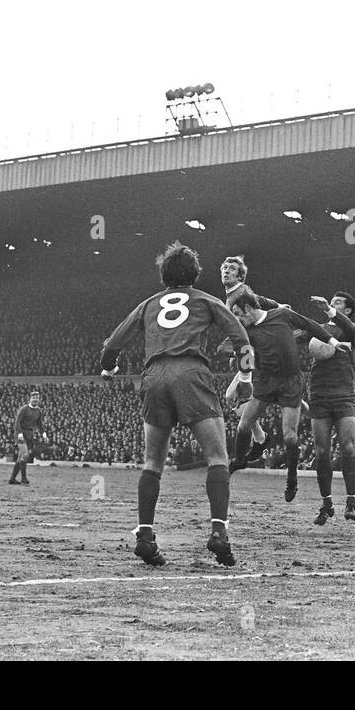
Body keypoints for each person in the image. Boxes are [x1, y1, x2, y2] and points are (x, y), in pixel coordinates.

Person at [100, 242, 253, 568]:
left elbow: (113, 343)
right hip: (190, 373)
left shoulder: (148, 304)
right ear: (195, 274)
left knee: (152, 462)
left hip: (153, 376)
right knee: (217, 457)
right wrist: (245, 375)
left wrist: (109, 367)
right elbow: (241, 337)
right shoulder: (207, 300)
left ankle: (144, 536)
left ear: (164, 275)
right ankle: (218, 533)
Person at [226, 287, 348, 503]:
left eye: (236, 313)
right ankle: (238, 462)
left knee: (290, 436)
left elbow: (309, 325)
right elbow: (245, 355)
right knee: (243, 426)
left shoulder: (281, 315)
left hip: (290, 382)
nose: (236, 318)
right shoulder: (246, 332)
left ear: (247, 308)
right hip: (265, 381)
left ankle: (292, 479)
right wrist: (243, 374)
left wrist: (333, 342)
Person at [304, 292, 355, 525]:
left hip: (344, 396)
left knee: (349, 448)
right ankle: (326, 503)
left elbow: (353, 331)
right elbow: (292, 335)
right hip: (318, 394)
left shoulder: (352, 329)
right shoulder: (318, 329)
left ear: (347, 310)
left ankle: (351, 500)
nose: (332, 304)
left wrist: (330, 311)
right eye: (332, 302)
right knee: (321, 452)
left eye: (338, 303)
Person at [9, 390, 47, 485]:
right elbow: (17, 422)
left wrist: (44, 434)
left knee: (20, 457)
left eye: (37, 398)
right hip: (21, 433)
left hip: (29, 434)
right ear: (30, 399)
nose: (35, 400)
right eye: (33, 398)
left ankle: (12, 479)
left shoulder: (38, 411)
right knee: (25, 455)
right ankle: (24, 478)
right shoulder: (24, 409)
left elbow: (39, 424)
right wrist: (19, 433)